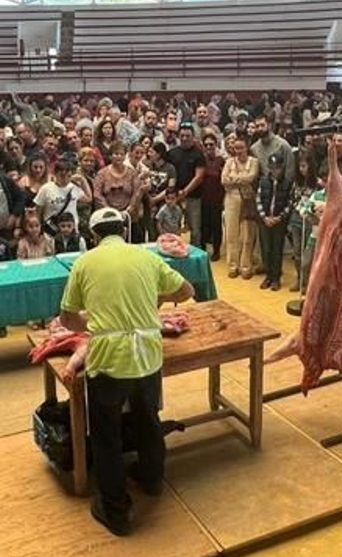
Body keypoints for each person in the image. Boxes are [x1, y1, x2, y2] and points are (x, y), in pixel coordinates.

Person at [58, 206, 193, 536]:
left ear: (94, 236)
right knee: (148, 420)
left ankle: (115, 510)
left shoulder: (85, 263)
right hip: (147, 355)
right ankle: (151, 480)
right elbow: (187, 291)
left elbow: (67, 319)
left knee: (106, 435)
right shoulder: (145, 257)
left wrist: (93, 320)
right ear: (124, 229)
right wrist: (152, 301)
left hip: (108, 360)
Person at [219, 135, 259, 279]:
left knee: (248, 235)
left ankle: (246, 266)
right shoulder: (229, 162)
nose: (238, 151)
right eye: (236, 148)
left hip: (248, 200)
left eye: (241, 147)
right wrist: (241, 179)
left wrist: (234, 179)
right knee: (231, 234)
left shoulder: (254, 162)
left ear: (247, 147)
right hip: (231, 200)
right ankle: (233, 265)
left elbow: (251, 177)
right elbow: (223, 180)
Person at [254, 153, 292, 291]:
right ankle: (268, 276)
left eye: (278, 167)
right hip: (265, 220)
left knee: (277, 250)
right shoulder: (263, 181)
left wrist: (280, 217)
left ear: (282, 168)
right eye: (272, 167)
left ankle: (276, 278)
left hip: (279, 222)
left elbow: (289, 203)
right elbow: (258, 199)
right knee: (266, 249)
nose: (275, 170)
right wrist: (264, 217)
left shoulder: (288, 183)